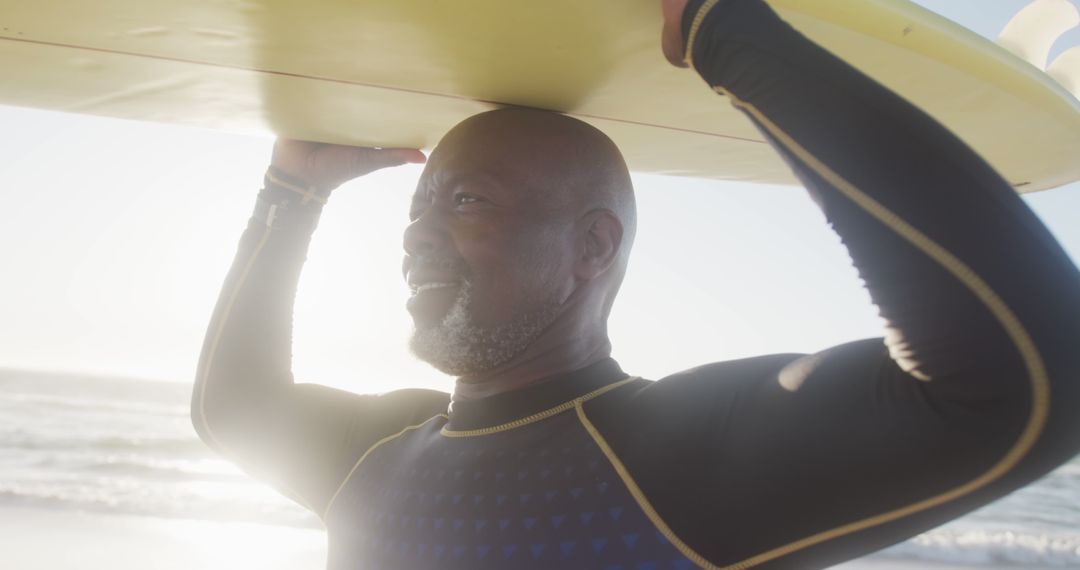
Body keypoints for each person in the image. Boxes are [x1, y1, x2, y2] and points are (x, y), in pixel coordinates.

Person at [191, 0, 1080, 567]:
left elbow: (1029, 381)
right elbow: (232, 409)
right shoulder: (377, 454)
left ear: (592, 246)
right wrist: (292, 193)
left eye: (465, 202)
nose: (416, 234)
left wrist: (722, 29)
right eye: (417, 206)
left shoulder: (678, 456)